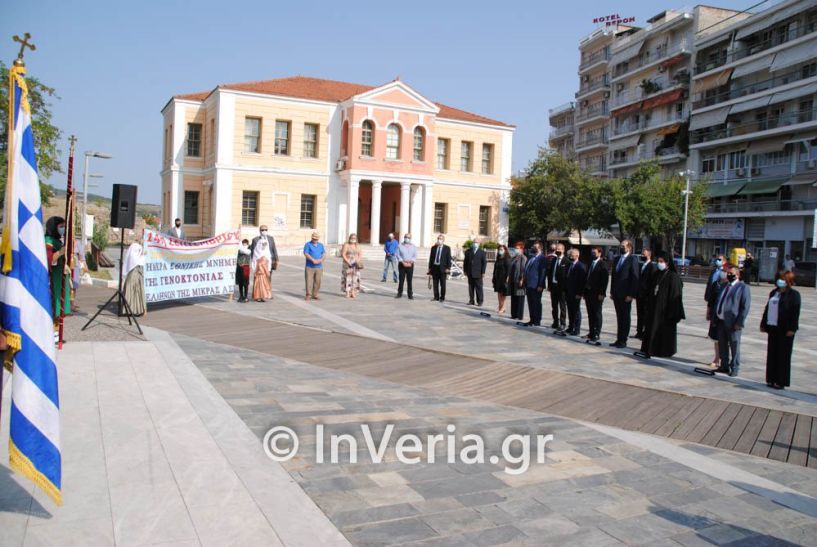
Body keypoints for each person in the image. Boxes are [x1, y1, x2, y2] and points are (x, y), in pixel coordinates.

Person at [639, 251, 685, 358]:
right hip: (654, 308)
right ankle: (649, 348)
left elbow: (675, 296)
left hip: (665, 311)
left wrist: (672, 313)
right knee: (651, 328)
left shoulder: (673, 277)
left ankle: (663, 351)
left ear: (667, 263)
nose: (659, 263)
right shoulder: (656, 274)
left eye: (661, 261)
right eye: (658, 261)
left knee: (663, 331)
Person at [760, 271, 801, 390]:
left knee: (783, 355)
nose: (780, 281)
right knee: (772, 353)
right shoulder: (774, 292)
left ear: (788, 281)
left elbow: (795, 313)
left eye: (783, 279)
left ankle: (781, 380)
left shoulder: (794, 295)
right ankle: (771, 378)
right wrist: (763, 323)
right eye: (779, 279)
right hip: (772, 327)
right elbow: (767, 308)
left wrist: (792, 328)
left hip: (785, 328)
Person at [714, 265, 751, 377]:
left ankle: (734, 367)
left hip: (733, 322)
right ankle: (724, 365)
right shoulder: (724, 285)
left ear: (737, 275)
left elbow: (745, 306)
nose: (728, 275)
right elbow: (718, 301)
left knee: (734, 345)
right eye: (727, 273)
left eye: (731, 274)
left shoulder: (743, 287)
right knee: (722, 344)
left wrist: (739, 322)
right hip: (721, 320)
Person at [610, 239, 640, 348]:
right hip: (617, 293)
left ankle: (623, 340)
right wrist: (612, 291)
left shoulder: (633, 259)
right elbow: (614, 277)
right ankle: (619, 339)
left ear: (629, 247)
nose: (621, 247)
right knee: (619, 317)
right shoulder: (617, 259)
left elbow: (635, 278)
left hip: (626, 294)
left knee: (625, 317)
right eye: (621, 246)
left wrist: (631, 294)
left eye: (623, 246)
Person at [45, 216, 71, 319]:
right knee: (54, 301)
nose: (63, 228)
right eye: (61, 226)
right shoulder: (48, 240)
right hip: (53, 276)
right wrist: (60, 252)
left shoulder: (57, 240)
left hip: (60, 275)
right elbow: (49, 260)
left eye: (64, 226)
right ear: (53, 227)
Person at [705, 265, 729, 369]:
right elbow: (711, 300)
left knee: (724, 339)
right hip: (715, 314)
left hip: (726, 316)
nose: (723, 273)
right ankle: (717, 358)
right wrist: (708, 311)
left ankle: (724, 361)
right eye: (722, 271)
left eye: (725, 271)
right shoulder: (717, 284)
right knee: (715, 338)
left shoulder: (730, 285)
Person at [584, 246, 609, 343]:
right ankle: (591, 332)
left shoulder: (603, 264)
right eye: (592, 253)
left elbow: (605, 280)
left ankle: (597, 333)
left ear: (599, 253)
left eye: (594, 253)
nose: (593, 254)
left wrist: (602, 293)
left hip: (597, 293)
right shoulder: (590, 263)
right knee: (590, 313)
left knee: (597, 313)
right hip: (588, 293)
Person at [635, 248, 657, 340]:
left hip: (646, 295)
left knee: (646, 314)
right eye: (642, 254)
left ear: (649, 255)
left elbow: (652, 282)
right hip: (639, 294)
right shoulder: (642, 265)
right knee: (640, 313)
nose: (642, 256)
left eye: (644, 254)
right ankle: (639, 331)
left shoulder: (652, 266)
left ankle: (644, 332)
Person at [523, 241, 547, 326]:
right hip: (529, 284)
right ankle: (532, 319)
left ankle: (537, 320)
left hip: (536, 285)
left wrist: (541, 285)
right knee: (530, 302)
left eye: (535, 247)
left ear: (540, 248)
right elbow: (527, 269)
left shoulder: (542, 258)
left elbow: (543, 272)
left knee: (536, 302)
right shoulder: (531, 257)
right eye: (533, 246)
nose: (533, 248)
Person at [564, 248, 586, 335]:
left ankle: (577, 329)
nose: (570, 256)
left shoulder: (581, 266)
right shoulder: (569, 265)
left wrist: (579, 293)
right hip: (569, 292)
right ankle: (570, 327)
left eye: (572, 255)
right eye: (570, 255)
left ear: (577, 255)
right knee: (570, 310)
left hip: (576, 293)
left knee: (576, 311)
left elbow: (582, 281)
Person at [122, 239, 146, 316]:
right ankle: (129, 309)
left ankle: (139, 309)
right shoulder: (134, 247)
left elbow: (140, 260)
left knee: (139, 291)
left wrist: (142, 254)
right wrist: (142, 255)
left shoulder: (136, 248)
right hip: (134, 272)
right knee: (131, 289)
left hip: (138, 272)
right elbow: (135, 260)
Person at [547, 243, 567, 330]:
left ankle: (562, 323)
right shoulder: (554, 259)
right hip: (553, 286)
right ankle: (555, 322)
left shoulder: (566, 261)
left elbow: (567, 276)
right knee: (554, 306)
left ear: (563, 250)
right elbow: (550, 273)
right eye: (556, 249)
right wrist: (549, 285)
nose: (558, 251)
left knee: (562, 306)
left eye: (559, 249)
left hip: (562, 288)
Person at [427, 234, 452, 302]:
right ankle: (436, 297)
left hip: (443, 268)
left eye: (440, 239)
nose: (439, 240)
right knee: (435, 283)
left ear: (443, 240)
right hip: (435, 268)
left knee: (442, 284)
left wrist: (448, 268)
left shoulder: (447, 248)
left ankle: (442, 297)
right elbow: (431, 258)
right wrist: (430, 268)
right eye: (438, 238)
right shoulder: (434, 248)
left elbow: (448, 259)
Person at [464, 238, 487, 306]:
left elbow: (484, 263)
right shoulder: (468, 251)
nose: (475, 243)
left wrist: (483, 272)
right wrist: (465, 270)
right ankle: (471, 300)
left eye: (476, 242)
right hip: (470, 272)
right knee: (471, 287)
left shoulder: (482, 252)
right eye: (474, 242)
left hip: (478, 273)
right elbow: (465, 262)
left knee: (479, 287)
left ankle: (480, 301)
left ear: (479, 244)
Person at [304, 231, 326, 301]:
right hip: (310, 266)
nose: (315, 240)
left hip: (319, 266)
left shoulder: (321, 245)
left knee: (318, 281)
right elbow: (306, 253)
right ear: (312, 238)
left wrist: (321, 259)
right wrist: (312, 260)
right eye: (314, 239)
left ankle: (315, 294)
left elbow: (324, 253)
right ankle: (308, 294)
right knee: (309, 281)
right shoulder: (308, 244)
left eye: (316, 239)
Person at [508, 242, 528, 320]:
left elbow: (524, 270)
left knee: (520, 298)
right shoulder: (514, 257)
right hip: (513, 281)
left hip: (520, 282)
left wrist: (522, 279)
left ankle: (519, 315)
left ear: (521, 249)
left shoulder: (523, 258)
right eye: (515, 248)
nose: (516, 249)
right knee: (514, 297)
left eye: (517, 248)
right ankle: (514, 314)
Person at [251, 235, 273, 302]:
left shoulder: (267, 252)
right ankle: (258, 296)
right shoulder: (256, 252)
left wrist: (269, 269)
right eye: (262, 244)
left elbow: (269, 260)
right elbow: (254, 261)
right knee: (258, 284)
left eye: (265, 244)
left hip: (265, 272)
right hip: (259, 272)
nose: (263, 246)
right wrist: (254, 269)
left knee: (265, 284)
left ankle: (263, 296)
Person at [341, 233, 363, 298]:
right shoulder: (346, 245)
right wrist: (348, 261)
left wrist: (358, 260)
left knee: (355, 278)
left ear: (356, 239)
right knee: (348, 278)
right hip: (348, 264)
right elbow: (343, 254)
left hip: (356, 264)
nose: (353, 239)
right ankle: (347, 292)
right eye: (352, 238)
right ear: (349, 238)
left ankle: (353, 292)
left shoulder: (358, 245)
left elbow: (360, 254)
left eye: (354, 238)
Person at [395, 233, 416, 299]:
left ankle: (410, 294)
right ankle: (399, 293)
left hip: (410, 265)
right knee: (401, 280)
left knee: (409, 280)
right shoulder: (400, 246)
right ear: (404, 237)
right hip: (402, 265)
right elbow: (397, 255)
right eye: (406, 237)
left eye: (408, 237)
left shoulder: (413, 246)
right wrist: (402, 262)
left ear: (410, 239)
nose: (407, 238)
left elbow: (414, 256)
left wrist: (411, 262)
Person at [492, 244, 512, 314]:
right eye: (499, 249)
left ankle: (503, 307)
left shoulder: (507, 258)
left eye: (502, 249)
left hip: (504, 278)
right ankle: (500, 306)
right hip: (497, 278)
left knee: (503, 294)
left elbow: (509, 270)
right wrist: (493, 277)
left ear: (505, 250)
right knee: (499, 292)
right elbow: (495, 268)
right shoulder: (498, 258)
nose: (500, 251)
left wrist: (507, 278)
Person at [235, 238, 251, 303]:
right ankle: (241, 296)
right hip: (239, 267)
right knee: (240, 283)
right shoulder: (239, 249)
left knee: (246, 283)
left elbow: (246, 252)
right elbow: (241, 251)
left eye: (245, 244)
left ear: (247, 244)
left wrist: (239, 245)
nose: (244, 244)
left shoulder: (249, 249)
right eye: (243, 243)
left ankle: (246, 296)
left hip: (246, 268)